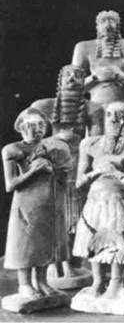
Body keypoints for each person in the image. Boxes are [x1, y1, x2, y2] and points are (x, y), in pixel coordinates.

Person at [72, 101, 124, 298]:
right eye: (109, 115)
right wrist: (96, 172)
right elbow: (79, 182)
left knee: (117, 243)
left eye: (121, 116)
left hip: (120, 202)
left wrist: (116, 173)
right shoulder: (89, 144)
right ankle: (98, 281)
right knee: (92, 240)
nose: (115, 121)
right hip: (95, 201)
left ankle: (116, 282)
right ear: (104, 118)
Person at [31, 64, 96, 280]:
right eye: (67, 75)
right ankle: (54, 263)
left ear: (84, 81)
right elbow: (30, 136)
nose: (72, 80)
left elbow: (95, 142)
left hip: (77, 167)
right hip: (53, 168)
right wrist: (57, 140)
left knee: (76, 219)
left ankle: (73, 264)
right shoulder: (44, 106)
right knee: (54, 217)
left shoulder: (93, 109)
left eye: (78, 76)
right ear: (60, 80)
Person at [2, 107, 71, 299]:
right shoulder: (12, 150)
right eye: (32, 125)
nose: (38, 129)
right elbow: (10, 185)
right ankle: (25, 284)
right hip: (26, 202)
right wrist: (34, 171)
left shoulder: (51, 147)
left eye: (41, 125)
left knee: (45, 242)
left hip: (48, 200)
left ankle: (42, 282)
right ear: (22, 128)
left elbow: (62, 173)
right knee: (26, 243)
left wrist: (59, 171)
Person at [72, 10, 124, 137]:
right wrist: (95, 77)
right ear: (97, 27)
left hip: (123, 111)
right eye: (103, 22)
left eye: (112, 22)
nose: (108, 26)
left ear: (118, 26)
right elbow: (72, 89)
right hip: (96, 112)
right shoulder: (83, 48)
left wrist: (121, 77)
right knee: (95, 147)